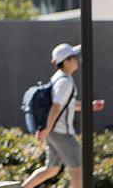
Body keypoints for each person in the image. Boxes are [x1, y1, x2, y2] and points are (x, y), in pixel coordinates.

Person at [21, 43, 105, 188]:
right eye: (73, 57)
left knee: (51, 169)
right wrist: (47, 128)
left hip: (54, 131)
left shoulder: (58, 78)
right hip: (61, 132)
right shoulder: (65, 82)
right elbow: (56, 105)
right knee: (79, 166)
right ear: (66, 62)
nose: (76, 60)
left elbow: (67, 103)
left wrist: (89, 106)